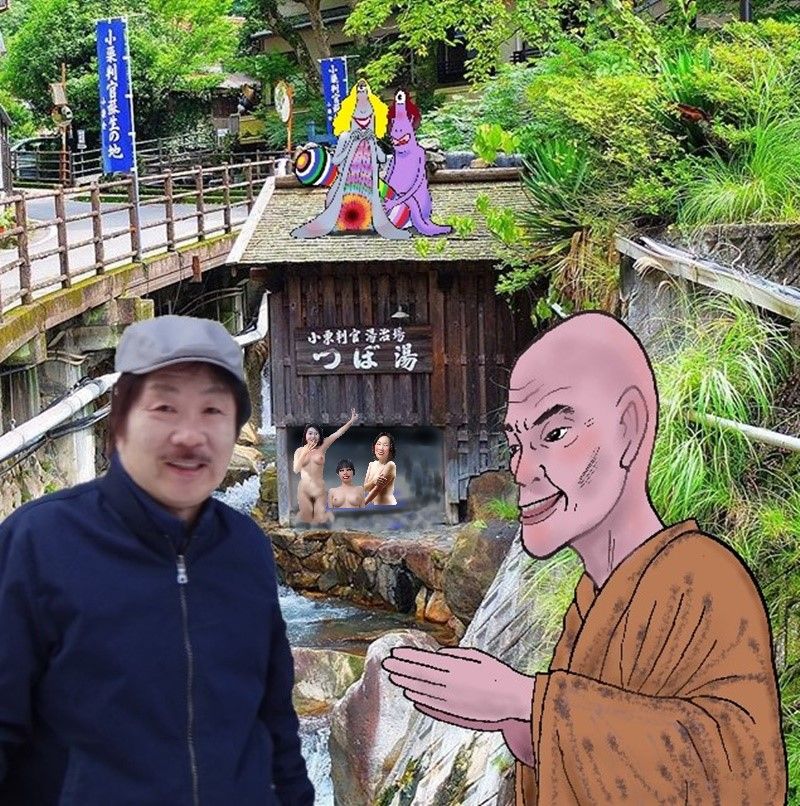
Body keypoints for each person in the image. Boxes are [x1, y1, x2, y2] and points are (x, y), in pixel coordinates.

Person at [382, 311, 787, 803]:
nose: (522, 470)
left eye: (554, 435)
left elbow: (738, 775)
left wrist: (525, 699)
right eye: (516, 444)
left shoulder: (705, 578)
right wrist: (513, 718)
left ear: (628, 429)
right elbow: (591, 756)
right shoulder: (591, 598)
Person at [0, 315, 315, 805]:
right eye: (165, 407)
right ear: (120, 421)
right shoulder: (38, 544)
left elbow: (274, 718)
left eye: (212, 410)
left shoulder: (246, 547)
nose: (189, 435)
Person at [293, 410, 358, 524]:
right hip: (304, 490)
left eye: (316, 434)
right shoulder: (299, 451)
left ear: (319, 436)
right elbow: (296, 469)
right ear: (306, 435)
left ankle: (326, 515)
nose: (313, 436)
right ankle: (302, 515)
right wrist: (304, 453)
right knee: (307, 519)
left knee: (319, 520)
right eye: (310, 433)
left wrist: (351, 421)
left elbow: (337, 434)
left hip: (319, 490)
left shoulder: (322, 447)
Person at [363, 431, 397, 506]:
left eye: (385, 445)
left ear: (390, 448)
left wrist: (361, 505)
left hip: (387, 507)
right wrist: (373, 481)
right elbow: (365, 488)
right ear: (374, 446)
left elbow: (377, 489)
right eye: (378, 444)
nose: (381, 448)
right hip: (374, 506)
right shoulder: (371, 464)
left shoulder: (390, 465)